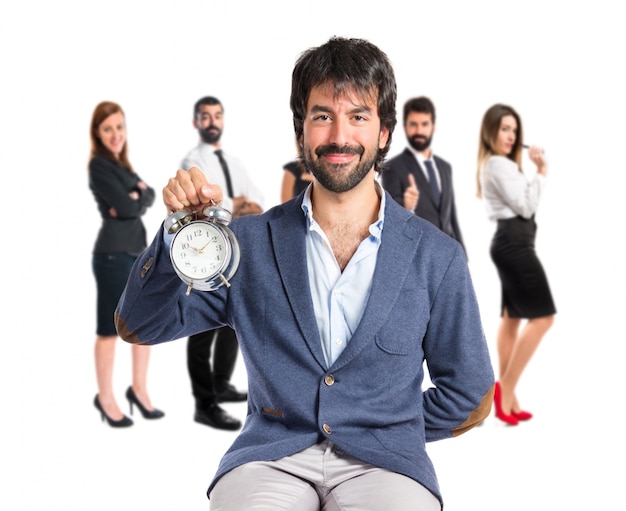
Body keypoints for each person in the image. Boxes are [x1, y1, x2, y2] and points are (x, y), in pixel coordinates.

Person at [116, 37, 494, 510]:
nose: (340, 136)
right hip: (269, 461)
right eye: (322, 116)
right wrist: (179, 232)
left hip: (387, 466)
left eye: (358, 116)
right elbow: (140, 324)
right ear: (301, 133)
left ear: (383, 134)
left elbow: (471, 393)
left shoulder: (438, 256)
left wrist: (389, 426)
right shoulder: (246, 243)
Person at [180, 96, 264, 431]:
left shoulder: (232, 159)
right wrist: (236, 203)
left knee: (233, 321)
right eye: (205, 116)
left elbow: (256, 197)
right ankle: (204, 403)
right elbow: (205, 201)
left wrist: (238, 203)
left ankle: (221, 382)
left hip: (236, 250)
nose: (212, 121)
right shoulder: (192, 160)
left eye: (217, 116)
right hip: (205, 251)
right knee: (202, 329)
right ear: (196, 122)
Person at [476, 103, 556, 426]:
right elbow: (525, 206)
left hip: (515, 242)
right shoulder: (497, 164)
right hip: (514, 243)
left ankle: (509, 399)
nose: (510, 135)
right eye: (504, 129)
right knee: (543, 318)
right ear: (491, 131)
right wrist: (542, 172)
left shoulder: (503, 165)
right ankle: (504, 387)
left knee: (512, 318)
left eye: (513, 129)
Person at [88, 100, 164, 427]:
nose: (115, 134)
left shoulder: (123, 165)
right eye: (108, 129)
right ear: (98, 133)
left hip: (136, 253)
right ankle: (105, 398)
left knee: (142, 326)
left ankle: (139, 389)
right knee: (109, 330)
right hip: (112, 255)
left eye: (119, 127)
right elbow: (131, 205)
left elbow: (147, 198)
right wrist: (134, 197)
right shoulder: (100, 166)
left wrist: (136, 197)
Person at [382, 96, 466, 256]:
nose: (419, 131)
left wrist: (462, 257)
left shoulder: (444, 167)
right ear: (405, 127)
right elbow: (389, 217)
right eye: (413, 124)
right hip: (418, 255)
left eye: (424, 124)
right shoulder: (394, 167)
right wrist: (405, 206)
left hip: (448, 255)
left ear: (433, 127)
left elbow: (451, 217)